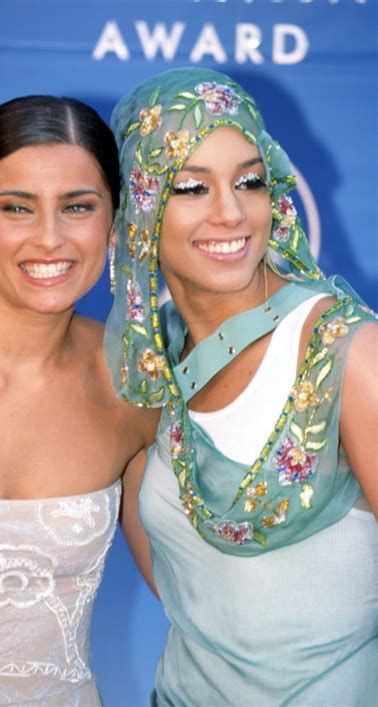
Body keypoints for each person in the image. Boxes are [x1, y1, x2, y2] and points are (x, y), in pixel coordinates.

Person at [105, 68, 378, 705]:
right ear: (139, 207)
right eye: (191, 186)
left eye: (250, 181)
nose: (230, 212)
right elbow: (189, 599)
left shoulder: (349, 355)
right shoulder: (142, 365)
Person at [0, 95, 157, 705]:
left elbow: (196, 594)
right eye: (17, 207)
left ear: (113, 223)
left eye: (78, 207)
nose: (50, 237)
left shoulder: (137, 385)